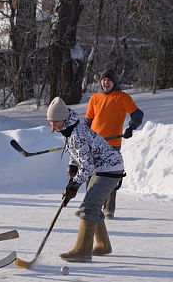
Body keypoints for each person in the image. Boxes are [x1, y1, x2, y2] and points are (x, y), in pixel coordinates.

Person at [48, 96, 125, 262]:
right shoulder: (67, 131)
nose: (53, 125)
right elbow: (77, 158)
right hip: (102, 168)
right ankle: (104, 246)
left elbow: (87, 166)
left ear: (64, 118)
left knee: (89, 206)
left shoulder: (77, 134)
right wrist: (72, 175)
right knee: (93, 205)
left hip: (109, 168)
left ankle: (82, 250)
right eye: (51, 121)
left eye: (56, 121)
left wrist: (74, 184)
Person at [84, 68, 144, 218]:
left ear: (114, 82)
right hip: (94, 143)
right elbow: (88, 120)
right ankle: (90, 206)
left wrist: (131, 127)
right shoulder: (95, 98)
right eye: (104, 80)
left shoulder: (121, 97)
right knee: (91, 174)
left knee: (109, 176)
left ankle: (108, 208)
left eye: (109, 80)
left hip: (112, 144)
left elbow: (137, 114)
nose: (106, 83)